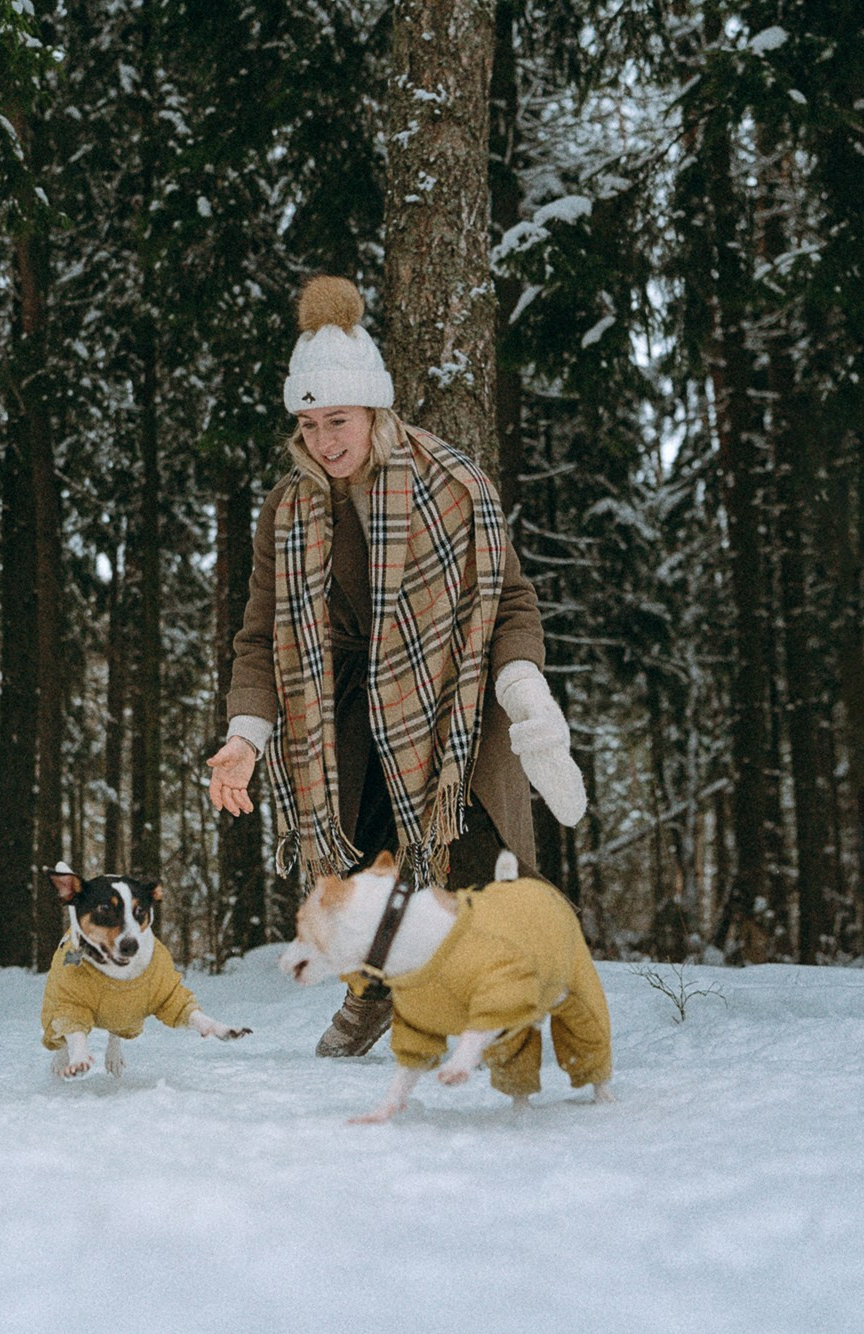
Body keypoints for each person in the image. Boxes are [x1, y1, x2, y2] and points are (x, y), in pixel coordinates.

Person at [205, 275, 587, 1056]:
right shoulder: (287, 512)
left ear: (374, 412)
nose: (324, 441)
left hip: (452, 700)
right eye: (308, 424)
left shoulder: (454, 486)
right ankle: (372, 991)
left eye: (337, 420)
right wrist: (244, 736)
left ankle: (525, 1008)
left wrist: (524, 693)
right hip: (345, 713)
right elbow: (257, 638)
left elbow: (511, 602)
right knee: (360, 871)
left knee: (485, 867)